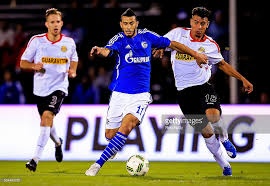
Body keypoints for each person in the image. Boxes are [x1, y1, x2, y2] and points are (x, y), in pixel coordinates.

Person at [85, 8, 208, 176]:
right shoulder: (119, 39)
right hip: (119, 94)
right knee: (110, 135)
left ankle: (97, 164)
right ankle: (112, 147)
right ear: (121, 25)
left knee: (127, 126)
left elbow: (173, 44)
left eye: (131, 23)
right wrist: (100, 50)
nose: (128, 27)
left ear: (137, 23)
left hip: (141, 95)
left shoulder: (147, 36)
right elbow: (107, 50)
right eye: (125, 24)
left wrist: (195, 54)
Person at [153, 7, 253, 176]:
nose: (199, 26)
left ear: (207, 25)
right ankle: (224, 165)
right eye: (196, 22)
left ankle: (225, 140)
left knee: (213, 115)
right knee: (206, 131)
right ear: (191, 22)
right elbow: (163, 43)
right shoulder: (177, 34)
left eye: (203, 24)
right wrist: (162, 49)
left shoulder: (210, 45)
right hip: (184, 93)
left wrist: (242, 79)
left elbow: (222, 64)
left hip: (202, 86)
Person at [20, 8, 78, 172]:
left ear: (61, 24)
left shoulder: (69, 42)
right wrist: (33, 66)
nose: (55, 25)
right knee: (47, 121)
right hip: (40, 89)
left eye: (58, 22)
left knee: (46, 117)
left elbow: (74, 60)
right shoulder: (37, 41)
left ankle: (34, 159)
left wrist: (73, 71)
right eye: (52, 22)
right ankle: (58, 142)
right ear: (46, 24)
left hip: (59, 87)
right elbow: (22, 63)